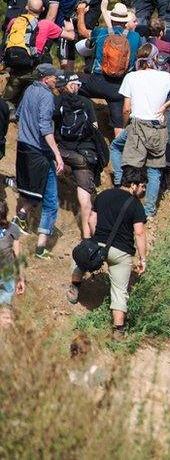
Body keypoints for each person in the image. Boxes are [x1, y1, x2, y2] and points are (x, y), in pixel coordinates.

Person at [67, 166, 148, 338]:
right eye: (143, 186)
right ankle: (118, 331)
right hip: (121, 253)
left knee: (81, 258)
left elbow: (92, 219)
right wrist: (143, 259)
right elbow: (139, 233)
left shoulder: (103, 195)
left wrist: (98, 238)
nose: (143, 190)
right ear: (133, 185)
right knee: (119, 290)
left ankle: (74, 288)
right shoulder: (136, 205)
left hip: (99, 243)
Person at [113, 44, 170, 217]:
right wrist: (165, 106)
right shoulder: (165, 76)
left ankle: (119, 184)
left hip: (137, 126)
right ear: (155, 58)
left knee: (117, 149)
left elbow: (126, 109)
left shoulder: (131, 77)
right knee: (154, 170)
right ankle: (150, 211)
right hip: (157, 127)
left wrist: (125, 127)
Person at [13, 64, 64, 259]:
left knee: (33, 190)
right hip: (39, 152)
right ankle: (40, 248)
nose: (56, 80)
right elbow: (45, 128)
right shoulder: (46, 96)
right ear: (46, 79)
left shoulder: (29, 90)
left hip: (23, 147)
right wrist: (57, 154)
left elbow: (18, 115)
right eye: (54, 77)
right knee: (51, 201)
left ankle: (22, 217)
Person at [77, 0, 142, 136]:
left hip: (96, 82)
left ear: (111, 20)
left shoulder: (100, 32)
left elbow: (82, 31)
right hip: (119, 88)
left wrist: (81, 12)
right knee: (119, 127)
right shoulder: (136, 37)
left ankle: (86, 114)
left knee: (71, 82)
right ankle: (119, 153)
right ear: (126, 22)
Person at [54, 72, 104, 238]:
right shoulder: (86, 103)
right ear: (75, 86)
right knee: (85, 198)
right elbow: (95, 127)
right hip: (85, 154)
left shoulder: (58, 102)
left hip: (63, 151)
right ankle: (88, 236)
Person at [0, 199, 25, 305]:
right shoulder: (13, 229)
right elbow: (17, 256)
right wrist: (21, 279)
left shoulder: (13, 229)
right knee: (4, 305)